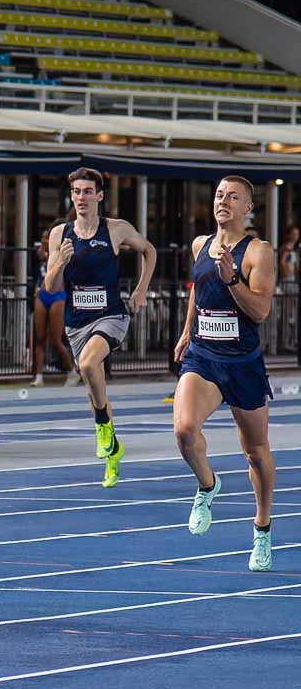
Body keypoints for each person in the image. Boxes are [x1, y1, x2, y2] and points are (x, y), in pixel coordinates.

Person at [172, 176, 276, 572]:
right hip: (204, 357)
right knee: (184, 431)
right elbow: (198, 290)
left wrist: (232, 277)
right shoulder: (201, 244)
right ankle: (206, 484)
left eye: (233, 196)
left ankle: (262, 528)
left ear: (248, 208)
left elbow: (260, 311)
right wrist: (185, 332)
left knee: (256, 452)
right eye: (218, 195)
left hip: (243, 364)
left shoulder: (258, 251)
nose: (223, 201)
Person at [43, 168, 157, 489]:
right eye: (76, 192)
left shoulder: (115, 230)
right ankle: (112, 453)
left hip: (111, 315)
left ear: (99, 196)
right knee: (94, 385)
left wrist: (140, 290)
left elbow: (149, 251)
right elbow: (50, 286)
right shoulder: (59, 235)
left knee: (89, 364)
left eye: (87, 191)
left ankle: (101, 426)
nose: (81, 197)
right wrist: (59, 263)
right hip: (77, 322)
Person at [31, 224, 77, 388]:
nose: (44, 240)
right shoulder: (40, 255)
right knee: (40, 338)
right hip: (42, 295)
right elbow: (37, 274)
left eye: (47, 237)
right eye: (43, 237)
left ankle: (72, 371)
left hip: (58, 295)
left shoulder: (60, 253)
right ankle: (38, 376)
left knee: (55, 339)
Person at [279, 223, 299, 353]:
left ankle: (291, 340)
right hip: (287, 282)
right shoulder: (286, 248)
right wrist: (287, 273)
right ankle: (285, 342)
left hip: (293, 281)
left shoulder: (294, 249)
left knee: (292, 313)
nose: (296, 236)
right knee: (287, 313)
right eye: (294, 233)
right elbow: (282, 262)